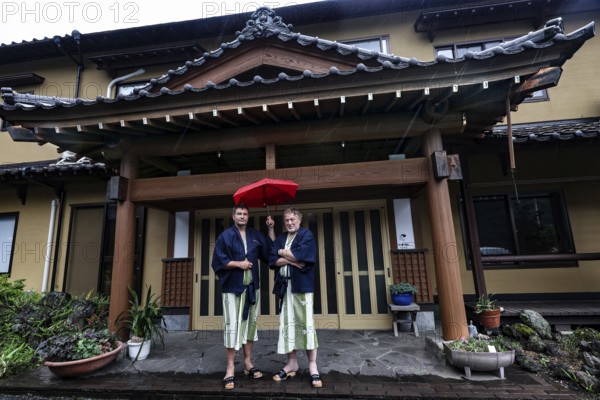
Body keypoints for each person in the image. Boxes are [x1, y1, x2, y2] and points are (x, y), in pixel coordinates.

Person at [211, 203, 275, 390]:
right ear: (233, 216)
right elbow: (218, 261)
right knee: (232, 326)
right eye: (239, 213)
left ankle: (248, 362)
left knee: (250, 326)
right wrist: (239, 264)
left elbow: (271, 250)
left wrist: (270, 229)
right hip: (232, 288)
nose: (242, 216)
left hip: (251, 289)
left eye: (245, 214)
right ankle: (230, 367)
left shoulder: (256, 235)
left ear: (248, 217)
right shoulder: (225, 236)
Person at [269, 207, 322, 388]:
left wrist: (282, 253)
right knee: (287, 324)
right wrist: (290, 257)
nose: (289, 223)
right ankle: (292, 362)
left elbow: (304, 257)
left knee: (306, 323)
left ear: (299, 220)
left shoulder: (306, 235)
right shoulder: (282, 238)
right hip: (285, 287)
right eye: (287, 220)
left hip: (302, 287)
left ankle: (312, 365)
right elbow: (272, 260)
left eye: (292, 219)